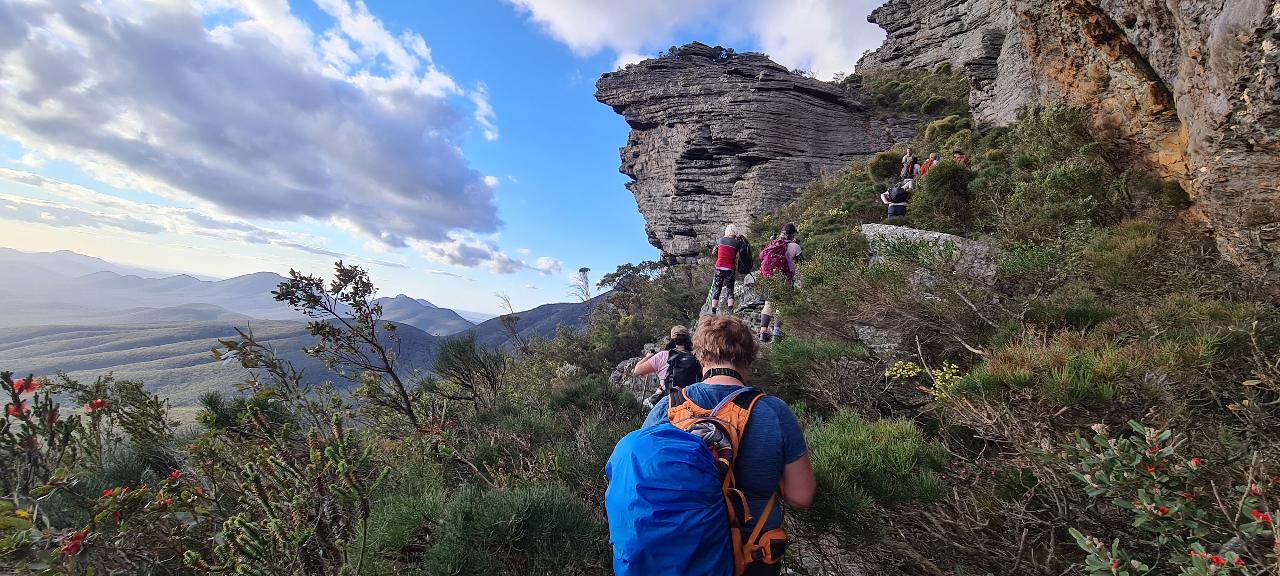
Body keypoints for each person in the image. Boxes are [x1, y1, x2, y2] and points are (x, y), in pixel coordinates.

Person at [641, 315, 815, 575]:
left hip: (684, 554)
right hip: (753, 556)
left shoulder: (668, 408)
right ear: (749, 359)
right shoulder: (775, 412)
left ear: (701, 359)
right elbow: (801, 497)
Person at [633, 325, 702, 408]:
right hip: (692, 402)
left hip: (669, 402)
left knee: (648, 403)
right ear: (688, 340)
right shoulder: (696, 357)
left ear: (672, 340)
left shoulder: (662, 356)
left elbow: (637, 370)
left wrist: (648, 356)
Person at [757, 224, 801, 342]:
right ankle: (776, 334)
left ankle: (763, 332)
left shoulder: (773, 244)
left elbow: (762, 256)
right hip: (785, 278)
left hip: (769, 278)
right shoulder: (794, 246)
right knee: (781, 304)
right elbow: (802, 262)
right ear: (792, 235)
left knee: (769, 303)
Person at [709, 224, 747, 315]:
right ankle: (730, 310)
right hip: (730, 268)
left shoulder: (720, 240)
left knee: (717, 288)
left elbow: (714, 252)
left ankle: (713, 311)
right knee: (730, 289)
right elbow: (743, 252)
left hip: (719, 267)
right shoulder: (738, 243)